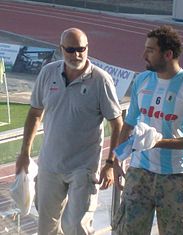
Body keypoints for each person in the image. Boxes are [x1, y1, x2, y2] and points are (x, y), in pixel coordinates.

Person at [16, 28, 123, 235]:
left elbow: (117, 124)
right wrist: (24, 154)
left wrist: (110, 164)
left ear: (87, 48)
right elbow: (35, 114)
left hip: (83, 168)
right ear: (61, 49)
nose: (77, 55)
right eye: (71, 49)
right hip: (50, 165)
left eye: (81, 49)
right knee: (46, 227)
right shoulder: (48, 73)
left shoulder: (101, 80)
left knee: (76, 227)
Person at [112, 25, 183, 235]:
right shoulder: (142, 80)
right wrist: (117, 159)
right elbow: (129, 123)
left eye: (150, 50)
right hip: (139, 173)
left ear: (167, 54)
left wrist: (159, 143)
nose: (143, 55)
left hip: (175, 178)